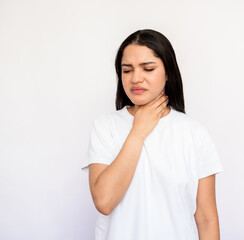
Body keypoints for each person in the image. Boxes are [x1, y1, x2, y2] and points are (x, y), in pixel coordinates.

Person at [82, 29, 224, 240]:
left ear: (168, 73)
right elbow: (104, 201)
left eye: (148, 68)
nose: (135, 78)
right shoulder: (105, 127)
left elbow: (206, 218)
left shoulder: (194, 133)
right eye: (127, 70)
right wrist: (138, 132)